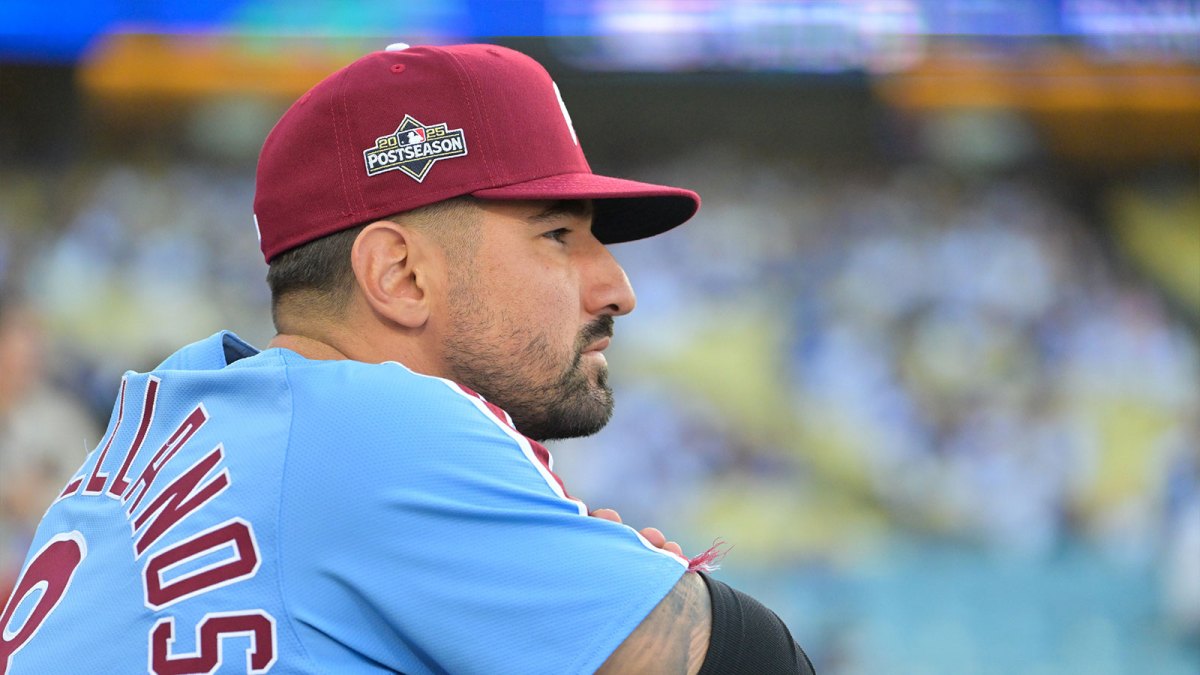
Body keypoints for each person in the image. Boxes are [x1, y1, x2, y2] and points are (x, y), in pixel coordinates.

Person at [0, 43, 813, 674]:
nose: (618, 287)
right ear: (400, 274)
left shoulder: (165, 421)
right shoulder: (371, 425)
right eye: (558, 234)